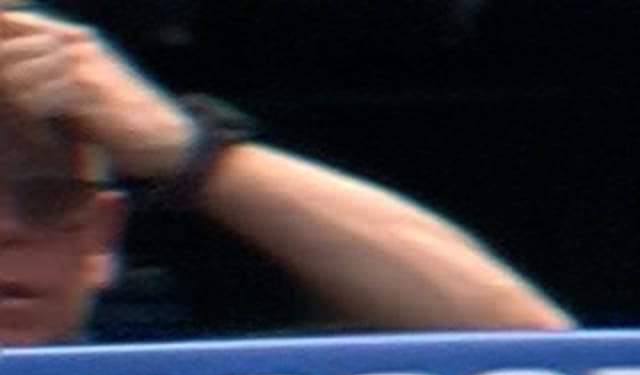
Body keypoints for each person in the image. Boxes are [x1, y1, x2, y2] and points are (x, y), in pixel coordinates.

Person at [0, 5, 569, 349]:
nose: (8, 227)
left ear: (101, 239)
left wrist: (191, 154)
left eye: (45, 197)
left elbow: (537, 358)